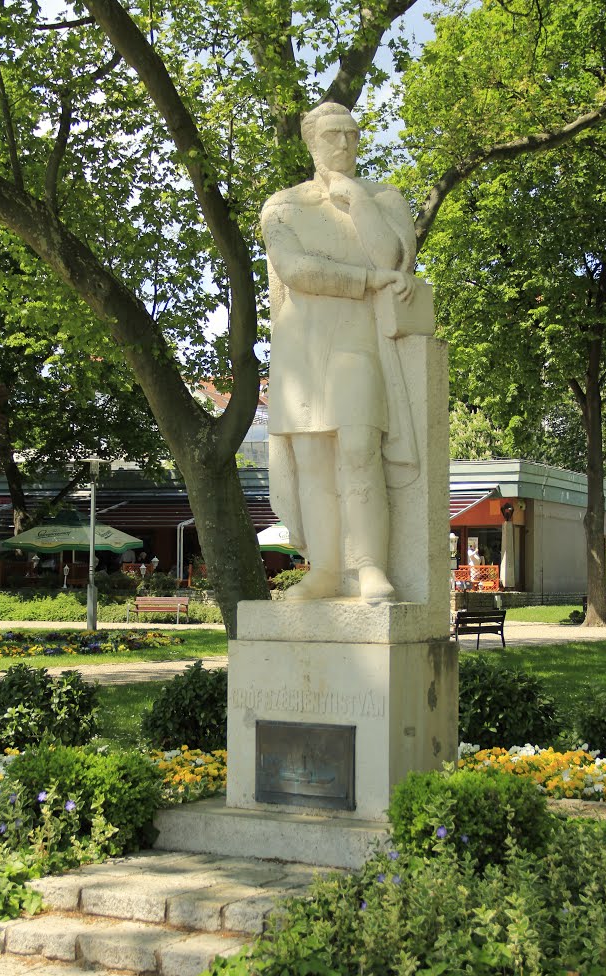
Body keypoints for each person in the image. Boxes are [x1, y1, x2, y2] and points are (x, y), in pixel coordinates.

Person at [261, 102, 418, 602]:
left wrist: (356, 201)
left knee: (358, 448)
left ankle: (369, 565)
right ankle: (325, 569)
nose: (345, 144)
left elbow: (392, 257)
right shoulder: (283, 206)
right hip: (301, 347)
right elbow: (296, 270)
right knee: (312, 459)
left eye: (351, 134)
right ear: (311, 141)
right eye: (333, 135)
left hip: (357, 339)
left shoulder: (383, 197)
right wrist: (369, 281)